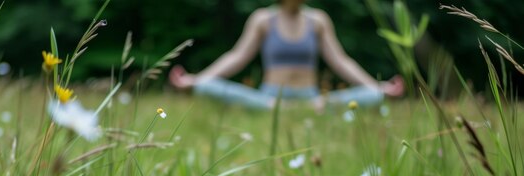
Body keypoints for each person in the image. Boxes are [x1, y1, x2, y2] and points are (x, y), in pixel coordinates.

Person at [169, 0, 404, 112]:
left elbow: (341, 61)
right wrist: (199, 80)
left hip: (314, 102)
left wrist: (376, 87)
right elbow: (237, 56)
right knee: (212, 87)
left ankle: (376, 92)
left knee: (372, 95)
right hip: (268, 101)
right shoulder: (262, 19)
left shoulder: (318, 21)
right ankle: (198, 86)